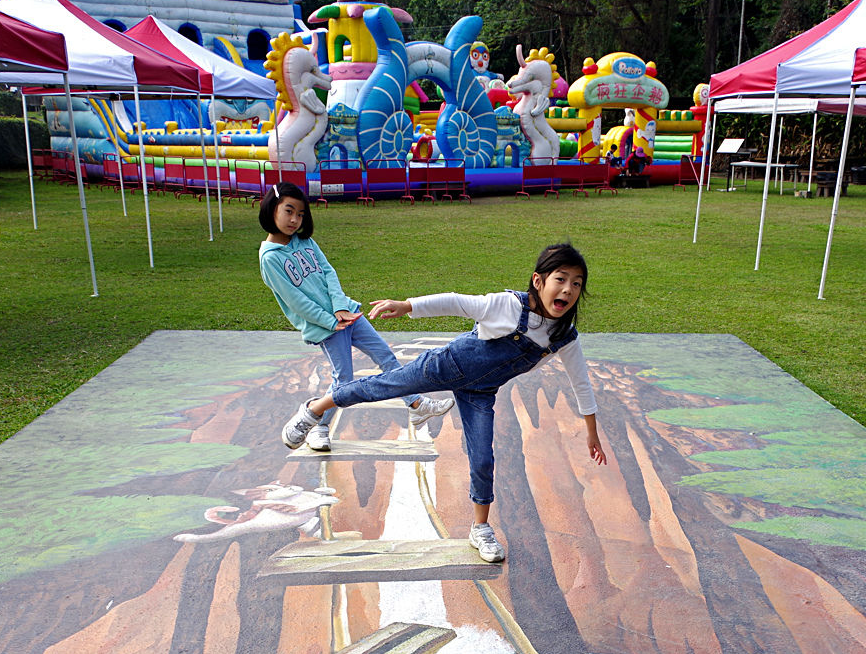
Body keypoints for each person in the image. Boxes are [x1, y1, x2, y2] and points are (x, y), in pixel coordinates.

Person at [280, 243, 607, 563]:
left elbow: (582, 384)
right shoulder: (508, 306)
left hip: (481, 391)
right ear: (539, 281)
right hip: (446, 365)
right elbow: (457, 302)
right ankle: (314, 409)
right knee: (381, 386)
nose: (568, 289)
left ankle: (480, 528)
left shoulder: (564, 336)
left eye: (577, 284)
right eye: (560, 279)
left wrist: (591, 432)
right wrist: (407, 305)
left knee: (482, 459)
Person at [258, 181, 451, 451]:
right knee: (344, 380)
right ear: (271, 208)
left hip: (347, 313)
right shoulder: (270, 258)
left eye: (300, 214)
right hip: (325, 327)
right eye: (288, 211)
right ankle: (317, 424)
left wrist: (340, 307)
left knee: (385, 355)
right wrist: (330, 321)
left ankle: (416, 404)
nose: (294, 219)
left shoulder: (305, 241)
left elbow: (328, 273)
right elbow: (296, 302)